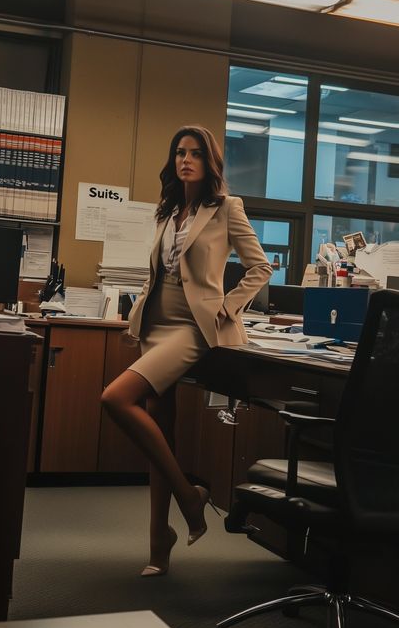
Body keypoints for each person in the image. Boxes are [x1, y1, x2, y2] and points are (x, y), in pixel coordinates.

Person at [101, 125, 272, 576]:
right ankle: (160, 543)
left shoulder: (225, 208)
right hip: (155, 321)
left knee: (115, 399)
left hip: (193, 325)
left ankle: (189, 496)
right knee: (159, 426)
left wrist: (228, 309)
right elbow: (159, 272)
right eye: (180, 152)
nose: (186, 159)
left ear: (209, 161)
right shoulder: (167, 210)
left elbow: (260, 266)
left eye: (195, 153)